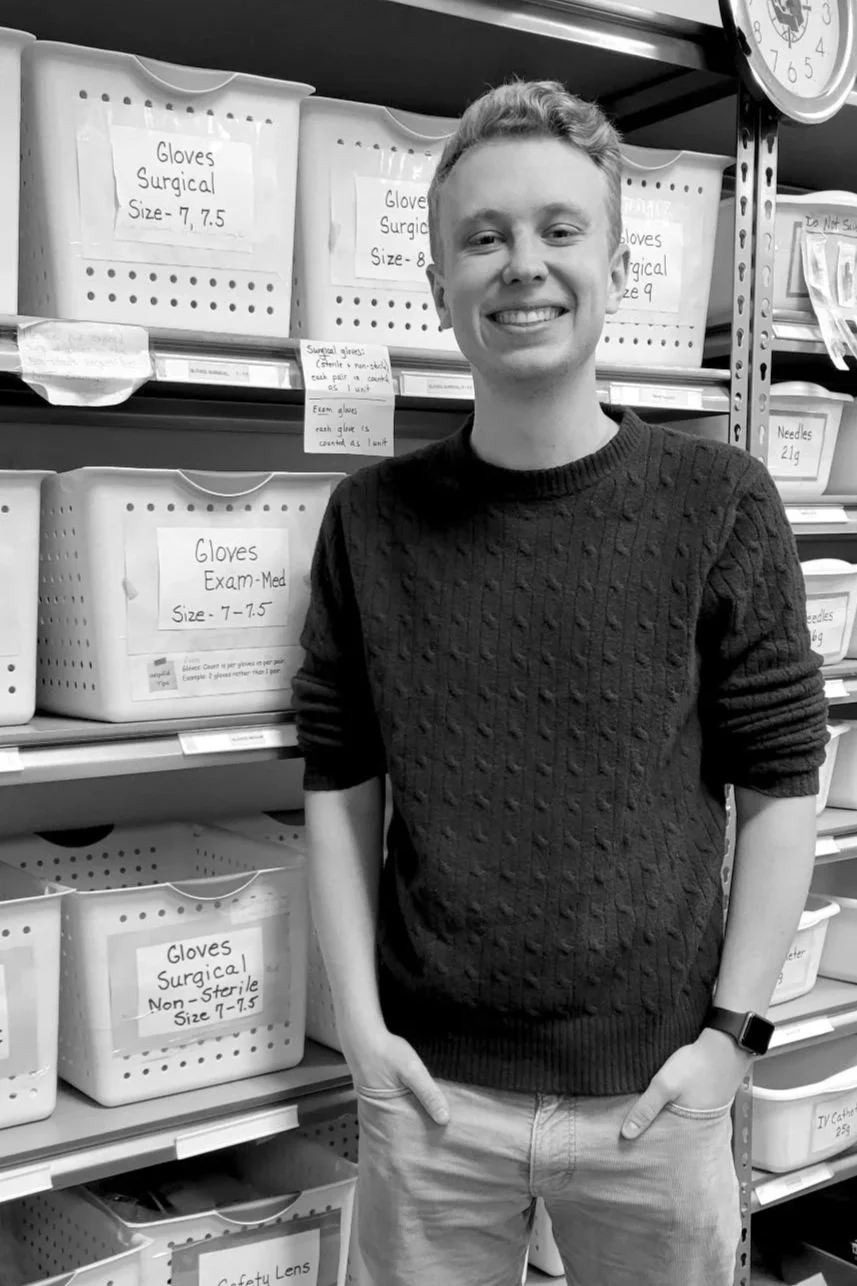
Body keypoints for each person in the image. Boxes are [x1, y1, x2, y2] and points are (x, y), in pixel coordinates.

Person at [292, 79, 828, 1286]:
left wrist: (729, 1039)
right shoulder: (370, 519)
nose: (520, 264)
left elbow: (781, 783)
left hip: (655, 1101)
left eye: (557, 228)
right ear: (438, 282)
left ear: (616, 267)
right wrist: (363, 1035)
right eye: (482, 238)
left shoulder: (718, 504)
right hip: (431, 1098)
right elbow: (338, 779)